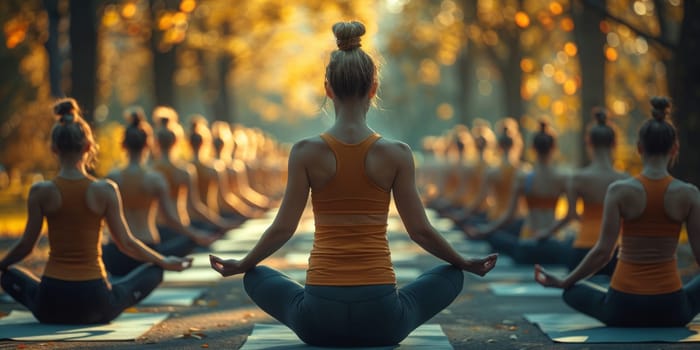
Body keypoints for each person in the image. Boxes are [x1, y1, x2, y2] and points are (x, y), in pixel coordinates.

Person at [209, 21, 498, 347]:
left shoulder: (304, 152)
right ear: (374, 88)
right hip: (382, 317)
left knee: (257, 275)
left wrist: (243, 263)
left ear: (327, 88)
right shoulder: (397, 154)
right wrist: (464, 261)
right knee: (451, 274)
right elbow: (420, 231)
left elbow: (282, 229)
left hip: (319, 318)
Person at [0, 98, 192, 324]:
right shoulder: (105, 190)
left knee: (9, 275)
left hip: (50, 302)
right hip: (96, 303)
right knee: (154, 270)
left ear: (54, 149)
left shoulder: (40, 191)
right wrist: (164, 261)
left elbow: (25, 246)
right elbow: (126, 243)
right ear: (89, 147)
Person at [535, 97, 700, 327]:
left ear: (639, 148)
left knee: (572, 292)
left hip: (622, 307)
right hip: (672, 308)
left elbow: (603, 252)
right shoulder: (689, 193)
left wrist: (565, 281)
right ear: (675, 148)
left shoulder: (620, 191)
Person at [102, 108, 218, 276]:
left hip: (115, 253)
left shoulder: (112, 178)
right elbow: (170, 219)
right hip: (148, 250)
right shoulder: (155, 179)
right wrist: (197, 235)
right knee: (159, 268)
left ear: (123, 145)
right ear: (148, 144)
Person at [465, 121, 570, 265]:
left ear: (532, 148)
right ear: (554, 147)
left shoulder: (524, 177)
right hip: (554, 242)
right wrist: (548, 232)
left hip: (528, 243)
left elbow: (509, 216)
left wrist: (484, 232)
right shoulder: (562, 178)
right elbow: (571, 215)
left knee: (498, 238)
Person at [538, 108, 627, 274]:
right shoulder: (626, 180)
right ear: (614, 143)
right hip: (618, 253)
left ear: (589, 143)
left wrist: (546, 233)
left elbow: (570, 215)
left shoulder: (578, 178)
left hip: (584, 251)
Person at [150, 108, 237, 238]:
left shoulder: (150, 171)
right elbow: (196, 205)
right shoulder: (186, 171)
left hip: (156, 231)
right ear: (177, 141)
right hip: (184, 229)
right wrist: (222, 224)